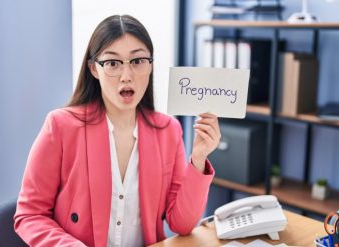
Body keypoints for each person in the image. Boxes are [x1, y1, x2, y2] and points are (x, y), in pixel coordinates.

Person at [14, 14, 221, 247]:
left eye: (137, 61)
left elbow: (181, 224)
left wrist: (199, 159)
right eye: (112, 63)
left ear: (150, 65)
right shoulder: (60, 126)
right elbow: (30, 215)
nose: (126, 76)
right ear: (94, 68)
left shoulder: (168, 130)